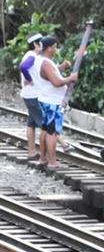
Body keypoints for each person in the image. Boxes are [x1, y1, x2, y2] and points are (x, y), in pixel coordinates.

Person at [32, 35, 78, 168]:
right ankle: (52, 162)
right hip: (51, 102)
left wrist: (62, 68)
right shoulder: (46, 63)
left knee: (45, 130)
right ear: (50, 48)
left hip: (45, 99)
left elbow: (50, 74)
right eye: (55, 47)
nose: (56, 49)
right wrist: (70, 78)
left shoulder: (40, 60)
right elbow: (56, 82)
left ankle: (43, 159)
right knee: (52, 133)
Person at [19, 33, 44, 160]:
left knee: (31, 123)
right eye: (42, 43)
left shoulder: (32, 56)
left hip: (29, 94)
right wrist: (29, 79)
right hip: (32, 95)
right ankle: (62, 145)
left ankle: (32, 152)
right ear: (35, 44)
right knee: (46, 124)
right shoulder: (32, 56)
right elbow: (23, 67)